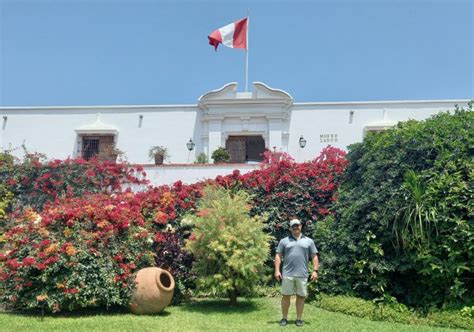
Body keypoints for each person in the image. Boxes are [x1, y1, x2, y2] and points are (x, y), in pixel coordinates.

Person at [274, 218, 319, 327]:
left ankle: (299, 319)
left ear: (301, 226)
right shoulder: (284, 241)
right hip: (287, 274)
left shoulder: (309, 241)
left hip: (302, 274)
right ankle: (284, 318)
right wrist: (277, 270)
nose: (296, 227)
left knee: (301, 297)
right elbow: (278, 256)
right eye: (293, 226)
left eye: (297, 225)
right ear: (290, 228)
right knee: (286, 297)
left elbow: (314, 256)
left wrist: (315, 271)